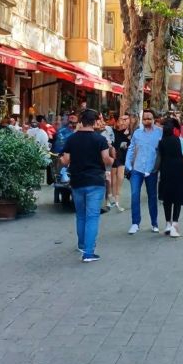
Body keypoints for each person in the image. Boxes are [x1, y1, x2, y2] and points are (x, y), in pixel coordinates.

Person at [59, 108, 113, 262]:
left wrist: (60, 159)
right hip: (95, 181)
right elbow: (106, 160)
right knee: (92, 217)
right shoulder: (100, 139)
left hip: (77, 181)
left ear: (81, 121)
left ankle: (82, 244)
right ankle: (88, 253)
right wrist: (113, 157)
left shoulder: (72, 139)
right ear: (95, 121)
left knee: (81, 215)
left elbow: (65, 161)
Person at [124, 110, 161, 234]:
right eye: (145, 118)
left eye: (149, 118)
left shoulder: (159, 133)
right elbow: (131, 148)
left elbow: (161, 151)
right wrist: (128, 165)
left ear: (154, 119)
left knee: (152, 196)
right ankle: (135, 223)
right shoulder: (137, 133)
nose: (147, 121)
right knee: (135, 195)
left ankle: (154, 223)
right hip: (137, 168)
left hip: (152, 170)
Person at [157, 117, 183, 237]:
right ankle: (174, 225)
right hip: (179, 169)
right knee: (177, 197)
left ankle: (167, 223)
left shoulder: (161, 142)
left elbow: (160, 156)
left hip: (165, 169)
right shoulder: (180, 140)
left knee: (167, 197)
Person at [108, 113, 131, 212]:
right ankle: (112, 199)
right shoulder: (111, 130)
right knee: (112, 179)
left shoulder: (129, 132)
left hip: (122, 157)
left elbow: (130, 144)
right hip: (113, 156)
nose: (122, 122)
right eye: (121, 119)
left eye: (125, 120)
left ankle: (117, 200)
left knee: (120, 178)